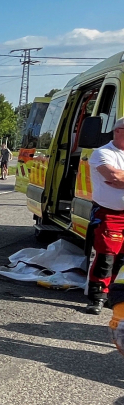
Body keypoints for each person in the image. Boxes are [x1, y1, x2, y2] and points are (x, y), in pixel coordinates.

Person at [84, 117, 124, 314]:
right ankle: (97, 297)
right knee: (106, 256)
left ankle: (112, 295)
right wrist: (118, 177)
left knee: (121, 259)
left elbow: (119, 178)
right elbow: (113, 176)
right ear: (117, 131)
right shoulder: (103, 153)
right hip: (110, 213)